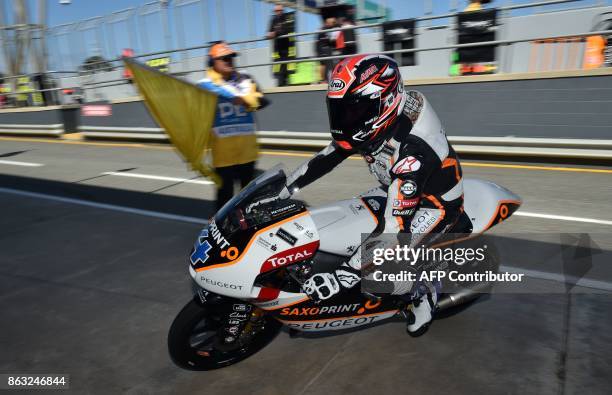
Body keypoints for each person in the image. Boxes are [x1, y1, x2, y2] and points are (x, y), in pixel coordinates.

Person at [281, 55, 464, 336]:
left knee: (385, 268)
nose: (345, 121)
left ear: (386, 101)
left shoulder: (414, 152)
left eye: (353, 112)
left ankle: (421, 294)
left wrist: (345, 274)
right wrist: (284, 190)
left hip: (434, 203)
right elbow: (328, 156)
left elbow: (394, 228)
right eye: (339, 111)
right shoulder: (379, 117)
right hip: (393, 184)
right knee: (351, 226)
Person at [198, 41, 267, 210]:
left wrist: (245, 99)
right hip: (223, 155)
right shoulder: (204, 86)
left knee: (248, 199)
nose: (229, 61)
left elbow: (262, 101)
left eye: (231, 57)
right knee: (224, 200)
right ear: (212, 62)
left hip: (248, 152)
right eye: (224, 58)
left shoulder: (246, 79)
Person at [267, 5, 293, 86]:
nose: (277, 12)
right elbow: (269, 30)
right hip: (276, 46)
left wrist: (276, 33)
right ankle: (280, 83)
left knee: (284, 64)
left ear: (282, 10)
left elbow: (286, 30)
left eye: (279, 10)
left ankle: (283, 83)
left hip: (285, 45)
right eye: (276, 11)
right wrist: (269, 34)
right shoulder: (273, 19)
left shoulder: (287, 18)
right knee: (277, 65)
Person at [315, 17, 339, 83]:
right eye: (331, 22)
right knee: (324, 65)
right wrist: (320, 52)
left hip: (327, 50)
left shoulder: (331, 29)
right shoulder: (323, 30)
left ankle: (328, 79)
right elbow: (329, 40)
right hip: (323, 50)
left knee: (330, 66)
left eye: (333, 22)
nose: (332, 24)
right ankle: (324, 80)